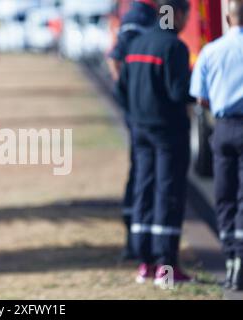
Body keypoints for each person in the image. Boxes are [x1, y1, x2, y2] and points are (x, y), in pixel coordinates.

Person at [116, 0, 192, 286]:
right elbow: (178, 93)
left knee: (144, 188)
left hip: (140, 131)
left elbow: (120, 88)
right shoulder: (174, 47)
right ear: (178, 15)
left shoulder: (136, 44)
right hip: (168, 132)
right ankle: (167, 267)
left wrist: (135, 115)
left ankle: (145, 264)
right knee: (168, 192)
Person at [190, 0, 243, 291]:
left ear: (227, 16)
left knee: (224, 195)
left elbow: (200, 97)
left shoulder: (211, 51)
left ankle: (231, 257)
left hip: (223, 128)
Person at [108, 0, 158, 261]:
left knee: (143, 171)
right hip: (141, 114)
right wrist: (130, 97)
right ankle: (135, 241)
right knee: (142, 172)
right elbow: (115, 59)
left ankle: (141, 239)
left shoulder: (150, 12)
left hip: (141, 112)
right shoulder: (139, 13)